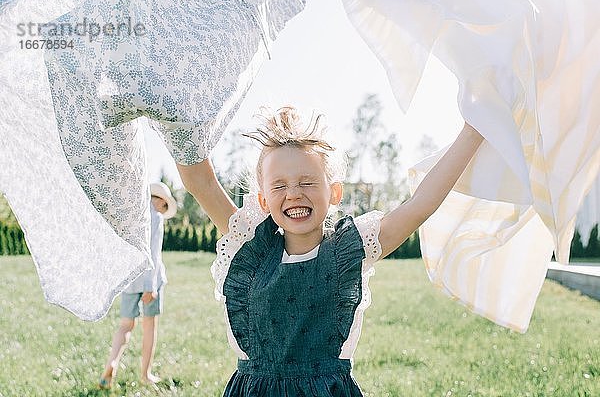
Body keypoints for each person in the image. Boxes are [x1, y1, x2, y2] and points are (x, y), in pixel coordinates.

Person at [191, 107, 483, 396]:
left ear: (334, 193)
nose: (293, 193)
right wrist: (177, 119)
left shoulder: (349, 251)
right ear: (263, 200)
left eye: (307, 182)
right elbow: (201, 182)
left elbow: (419, 205)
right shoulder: (249, 249)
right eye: (279, 185)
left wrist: (474, 130)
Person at [98, 182, 177, 389]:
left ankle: (111, 364)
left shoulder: (131, 215)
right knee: (149, 326)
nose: (164, 210)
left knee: (125, 325)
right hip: (150, 280)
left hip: (129, 279)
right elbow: (154, 253)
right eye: (165, 206)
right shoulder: (156, 218)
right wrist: (151, 286)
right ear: (158, 200)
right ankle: (145, 374)